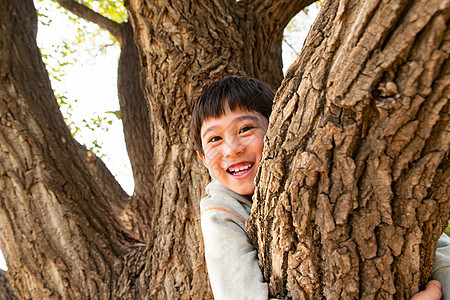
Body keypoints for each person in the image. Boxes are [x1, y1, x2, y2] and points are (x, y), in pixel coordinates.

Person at [190, 75, 449, 299]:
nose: (232, 149)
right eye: (215, 139)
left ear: (278, 131)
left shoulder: (313, 173)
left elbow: (431, 244)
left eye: (245, 129)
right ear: (203, 159)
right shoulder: (221, 212)